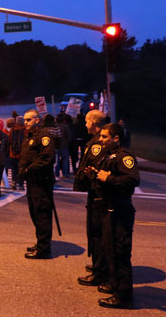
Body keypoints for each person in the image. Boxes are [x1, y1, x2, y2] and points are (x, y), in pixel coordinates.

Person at [91, 123, 139, 309]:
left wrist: (108, 178)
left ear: (116, 138)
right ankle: (114, 284)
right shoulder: (109, 156)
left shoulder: (124, 157)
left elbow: (133, 179)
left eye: (104, 137)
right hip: (108, 209)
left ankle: (123, 296)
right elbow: (106, 177)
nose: (101, 140)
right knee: (110, 250)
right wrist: (96, 175)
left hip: (120, 211)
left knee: (120, 253)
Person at [74, 110, 108, 288]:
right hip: (95, 193)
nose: (85, 124)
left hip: (98, 194)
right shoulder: (95, 141)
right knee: (95, 233)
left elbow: (94, 168)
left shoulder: (97, 144)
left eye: (87, 121)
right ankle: (99, 265)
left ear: (94, 122)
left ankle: (100, 271)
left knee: (96, 234)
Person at [19, 109, 56, 259]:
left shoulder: (44, 136)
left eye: (29, 120)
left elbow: (46, 158)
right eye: (25, 120)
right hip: (32, 181)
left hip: (41, 181)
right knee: (34, 212)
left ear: (37, 120)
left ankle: (44, 249)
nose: (26, 123)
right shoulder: (29, 136)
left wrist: (28, 169)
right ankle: (40, 242)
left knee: (42, 213)